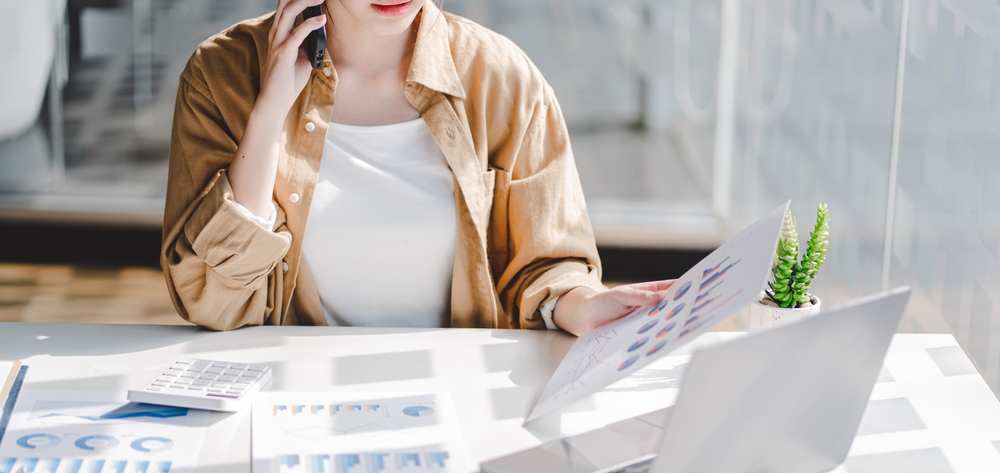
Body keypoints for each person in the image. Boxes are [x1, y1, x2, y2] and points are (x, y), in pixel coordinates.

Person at [162, 0, 671, 334]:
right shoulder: (221, 75)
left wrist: (582, 305)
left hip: (456, 398)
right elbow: (212, 301)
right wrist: (270, 109)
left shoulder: (503, 78)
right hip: (290, 401)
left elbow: (549, 262)